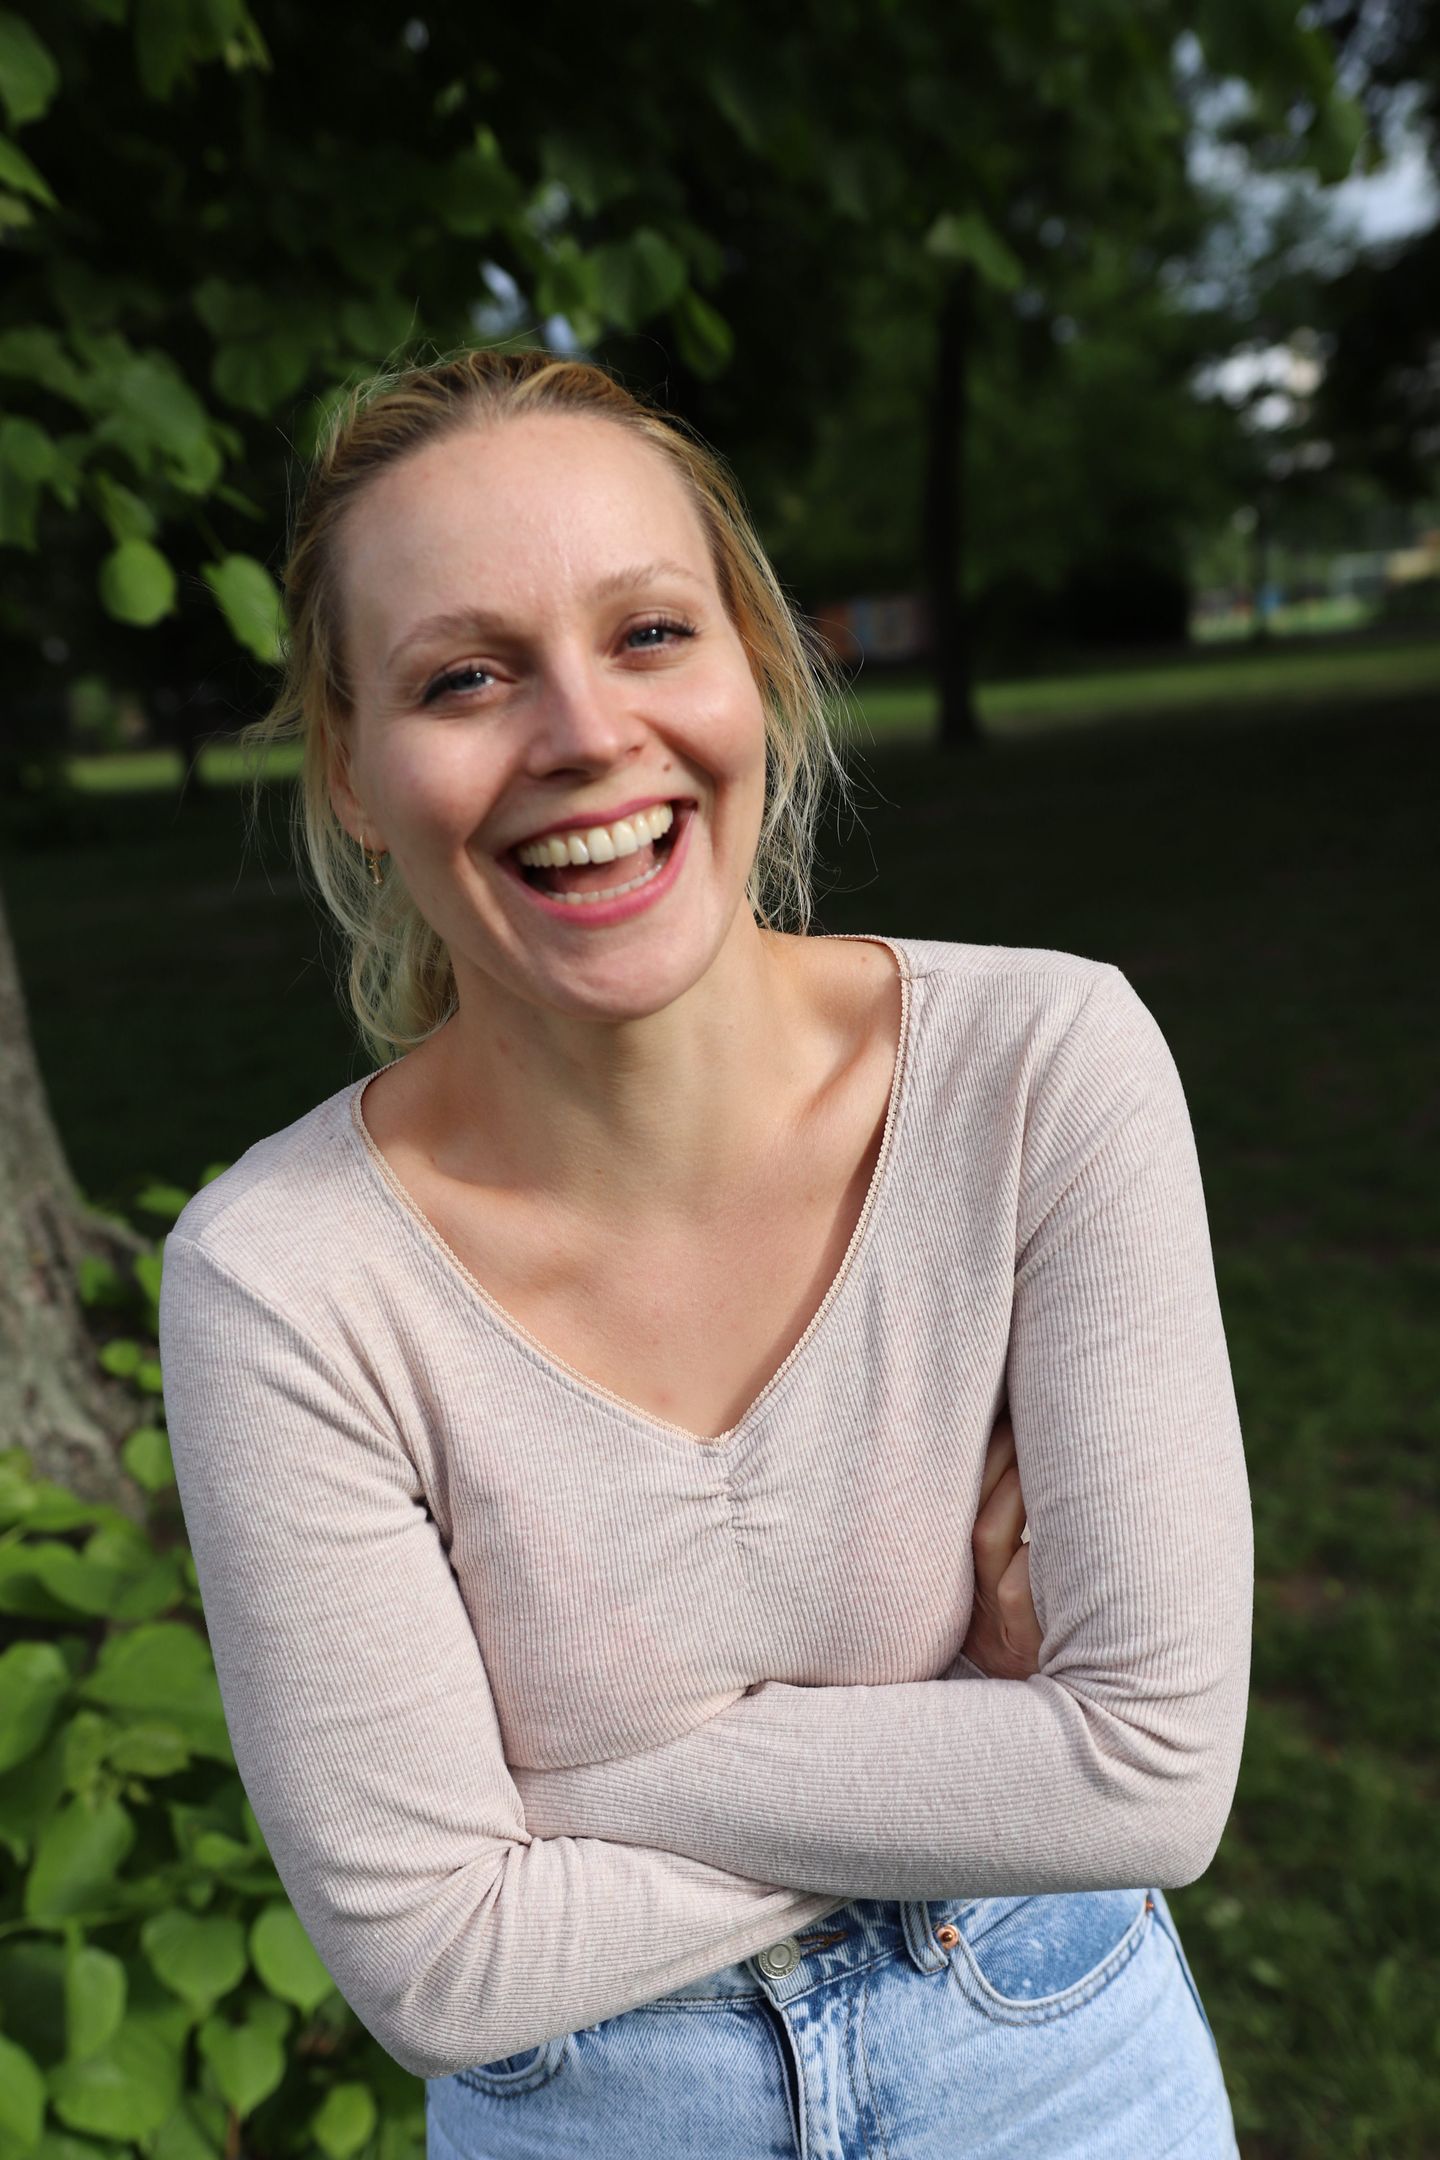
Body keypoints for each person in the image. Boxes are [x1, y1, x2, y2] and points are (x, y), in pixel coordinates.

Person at [157, 347, 1253, 2158]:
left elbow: (1149, 1775)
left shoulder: (1042, 1072)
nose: (585, 733)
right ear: (351, 771)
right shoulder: (286, 1280)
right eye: (464, 676)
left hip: (1059, 2064)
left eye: (650, 632)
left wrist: (589, 1781)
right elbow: (440, 1962)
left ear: (756, 666)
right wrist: (983, 1731)